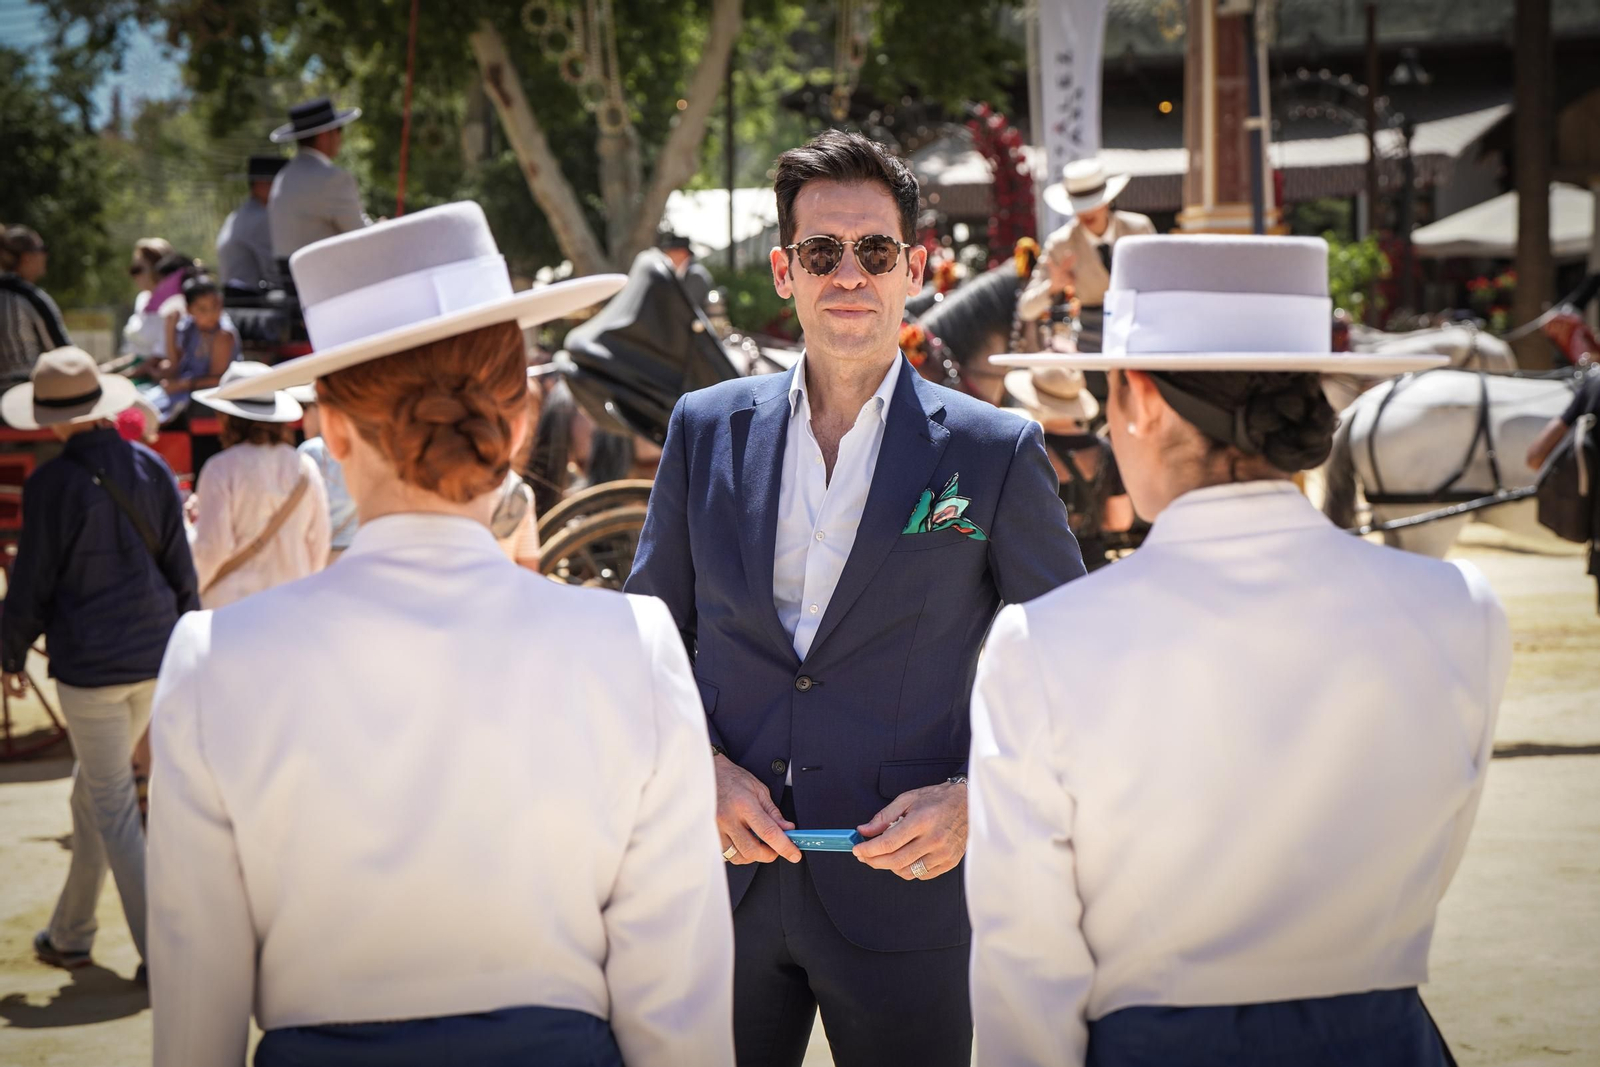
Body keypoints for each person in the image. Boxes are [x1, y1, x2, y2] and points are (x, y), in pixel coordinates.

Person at [146, 202, 731, 1067]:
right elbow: (679, 1014)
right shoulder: (633, 645)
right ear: (521, 420)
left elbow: (196, 1030)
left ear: (331, 428)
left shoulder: (211, 661)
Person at [969, 235, 1508, 1067]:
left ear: (1140, 398)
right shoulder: (1460, 608)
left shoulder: (1040, 643)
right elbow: (1432, 864)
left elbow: (1026, 967)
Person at [624, 130, 1086, 1067]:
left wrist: (977, 800)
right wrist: (695, 771)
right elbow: (642, 640)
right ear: (783, 270)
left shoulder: (993, 450)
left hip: (910, 890)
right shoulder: (704, 429)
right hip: (719, 889)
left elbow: (1079, 663)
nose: (849, 274)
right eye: (821, 251)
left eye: (874, 250)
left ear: (913, 266)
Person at [0, 347, 199, 984]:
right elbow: (181, 569)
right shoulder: (150, 466)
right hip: (154, 656)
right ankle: (70, 934)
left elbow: (32, 581)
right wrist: (191, 646)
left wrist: (9, 652)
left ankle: (163, 956)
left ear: (53, 418)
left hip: (92, 669)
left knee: (110, 807)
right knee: (93, 797)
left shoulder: (50, 484)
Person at [186, 361, 329, 607]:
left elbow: (212, 549)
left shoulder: (220, 468)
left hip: (233, 606)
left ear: (226, 417)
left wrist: (192, 588)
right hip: (290, 604)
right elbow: (319, 543)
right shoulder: (304, 466)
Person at [1003, 365, 1135, 570]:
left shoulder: (1025, 447)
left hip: (1037, 567)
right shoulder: (1105, 450)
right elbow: (1120, 521)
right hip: (1090, 567)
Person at [1018, 158, 1156, 353]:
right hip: (1092, 334)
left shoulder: (1139, 229)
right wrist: (1053, 287)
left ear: (1108, 200)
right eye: (1079, 205)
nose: (1087, 211)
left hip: (1142, 323)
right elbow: (1026, 309)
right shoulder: (1060, 244)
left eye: (1094, 203)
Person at [267, 97, 369, 273]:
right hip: (329, 279)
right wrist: (383, 227)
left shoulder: (282, 177)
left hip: (294, 282)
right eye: (338, 129)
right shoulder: (333, 179)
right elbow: (361, 234)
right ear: (324, 135)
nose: (340, 137)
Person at [148, 272, 239, 424]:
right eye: (202, 309)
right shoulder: (189, 327)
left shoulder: (223, 335)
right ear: (189, 309)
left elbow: (218, 380)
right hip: (183, 391)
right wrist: (169, 329)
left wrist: (181, 385)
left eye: (215, 306)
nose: (211, 314)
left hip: (206, 396)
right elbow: (174, 365)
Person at [290, 384, 360, 561]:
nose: (303, 417)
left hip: (323, 551)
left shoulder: (311, 450)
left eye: (306, 408)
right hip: (357, 548)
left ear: (321, 409)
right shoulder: (361, 447)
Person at [0, 225, 70, 385]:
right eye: (43, 249)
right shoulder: (31, 297)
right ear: (27, 257)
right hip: (27, 390)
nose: (46, 255)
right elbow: (65, 354)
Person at [216, 155, 286, 290]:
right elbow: (274, 271)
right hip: (248, 294)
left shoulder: (242, 213)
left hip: (238, 291)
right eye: (278, 182)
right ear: (260, 184)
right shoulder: (259, 217)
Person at [120, 237, 175, 363]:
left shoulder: (174, 304)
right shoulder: (142, 299)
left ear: (158, 269)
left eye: (137, 270)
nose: (133, 275)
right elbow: (136, 355)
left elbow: (160, 358)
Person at [660, 232, 716, 312]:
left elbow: (685, 309)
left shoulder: (695, 276)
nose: (666, 257)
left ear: (682, 253)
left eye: (669, 253)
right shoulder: (685, 273)